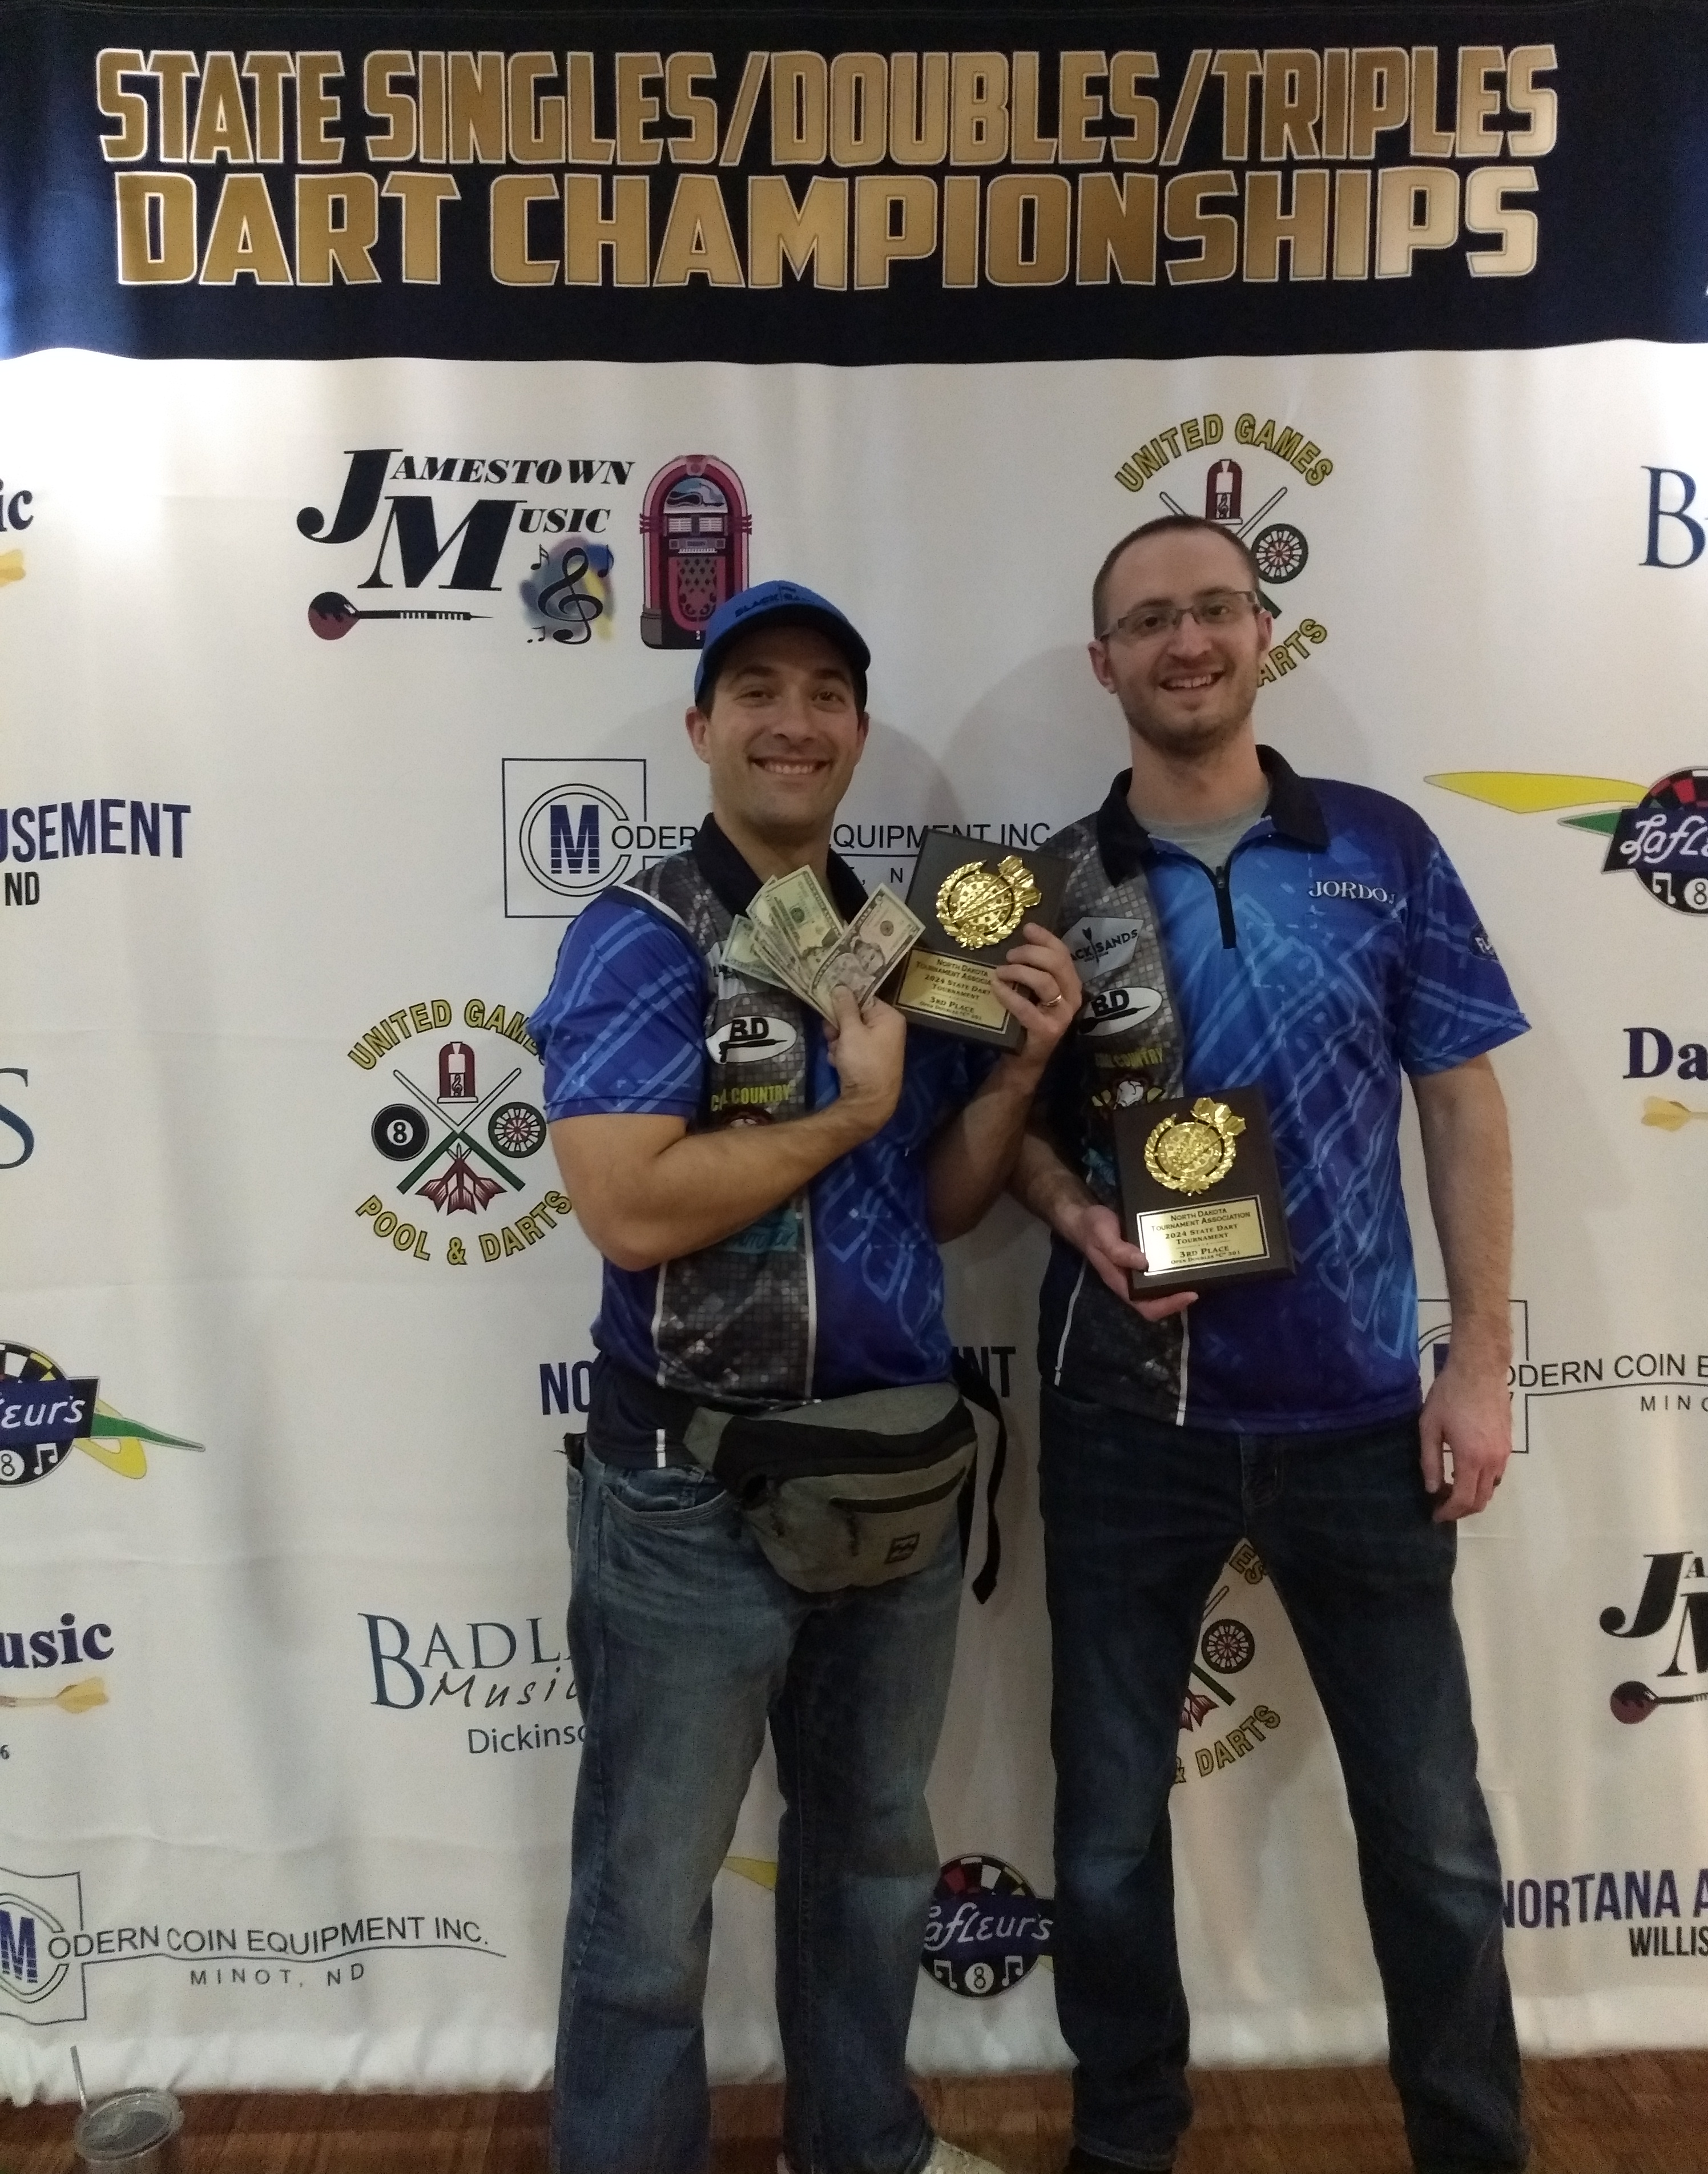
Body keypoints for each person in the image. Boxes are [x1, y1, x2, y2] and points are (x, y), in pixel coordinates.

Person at [531, 577, 1082, 2174]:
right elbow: (630, 1209)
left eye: (827, 693)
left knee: (872, 1869)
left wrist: (1020, 1072)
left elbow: (944, 1204)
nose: (795, 721)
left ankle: (862, 2151)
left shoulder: (897, 945)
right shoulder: (639, 934)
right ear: (702, 727)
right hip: (689, 1493)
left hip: (894, 1480)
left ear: (857, 732)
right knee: (649, 1903)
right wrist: (847, 1113)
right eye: (759, 691)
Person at [1015, 516, 1529, 2174]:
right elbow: (997, 1127)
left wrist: (1478, 1362)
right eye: (1150, 620)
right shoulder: (1048, 888)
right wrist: (1069, 1210)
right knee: (1106, 1839)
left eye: (1215, 609)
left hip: (1364, 1414)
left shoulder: (1380, 845)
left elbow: (1461, 1099)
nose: (1188, 642)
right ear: (1105, 661)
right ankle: (1125, 2144)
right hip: (1127, 1421)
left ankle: (1474, 2148)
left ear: (1262, 631)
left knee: (1433, 1840)